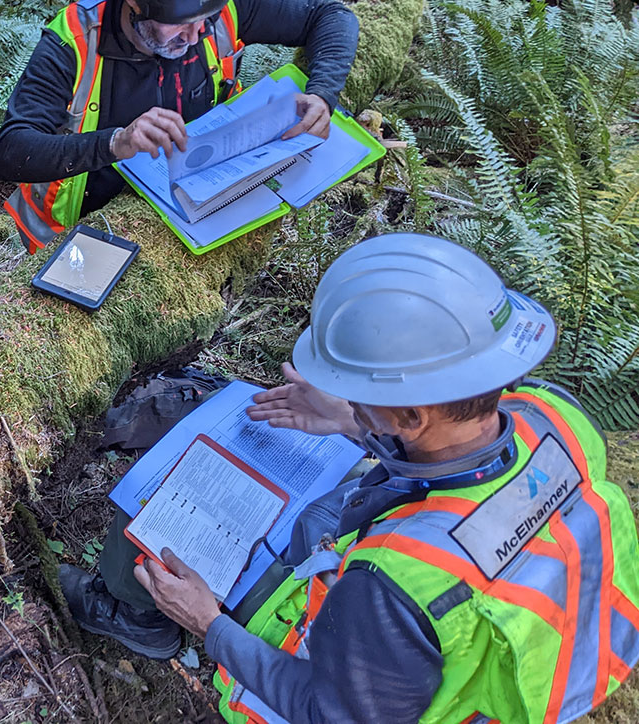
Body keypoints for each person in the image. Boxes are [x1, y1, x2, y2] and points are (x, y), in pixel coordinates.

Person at [59, 233, 639, 724]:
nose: (351, 403)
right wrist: (350, 422)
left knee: (144, 520)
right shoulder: (553, 414)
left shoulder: (391, 585)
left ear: (411, 416)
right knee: (316, 518)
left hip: (360, 677)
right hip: (459, 650)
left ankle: (141, 621)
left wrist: (207, 624)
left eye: (362, 396)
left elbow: (325, 711)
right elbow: (459, 460)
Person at [0, 0, 359, 253]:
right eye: (179, 23)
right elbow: (11, 151)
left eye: (206, 18)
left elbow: (329, 16)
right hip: (68, 237)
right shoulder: (74, 41)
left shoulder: (222, 5)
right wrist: (115, 142)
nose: (197, 33)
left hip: (195, 215)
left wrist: (322, 93)